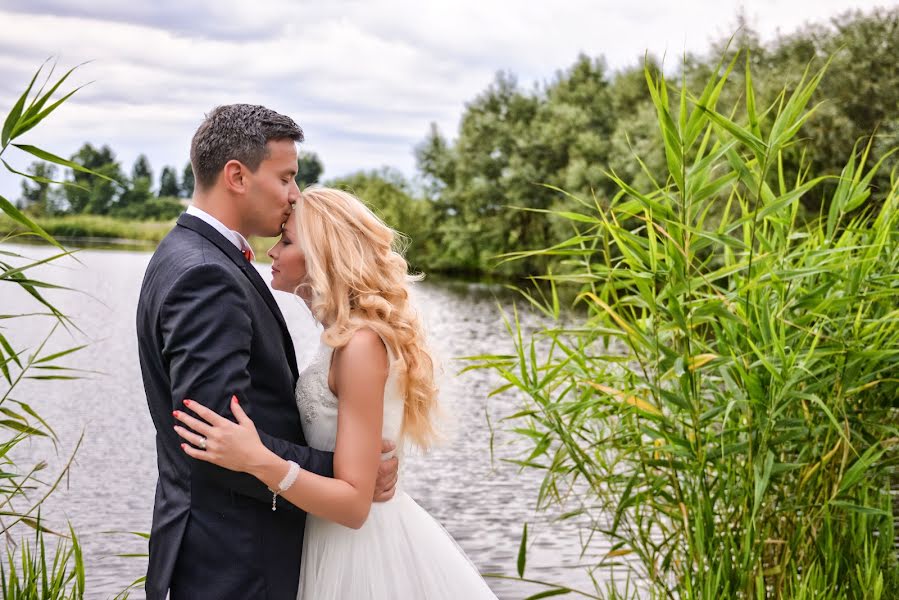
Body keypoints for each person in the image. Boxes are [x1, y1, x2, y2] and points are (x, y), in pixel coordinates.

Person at [173, 187, 498, 599]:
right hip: (324, 538)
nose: (272, 251)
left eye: (287, 241)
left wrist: (258, 460)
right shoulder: (338, 338)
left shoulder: (361, 345)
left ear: (324, 256)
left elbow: (353, 505)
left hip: (360, 555)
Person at [136, 105, 398, 600]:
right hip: (236, 562)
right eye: (286, 177)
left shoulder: (182, 254)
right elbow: (216, 439)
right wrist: (346, 474)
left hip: (223, 546)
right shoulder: (206, 275)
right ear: (237, 176)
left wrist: (349, 474)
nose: (294, 194)